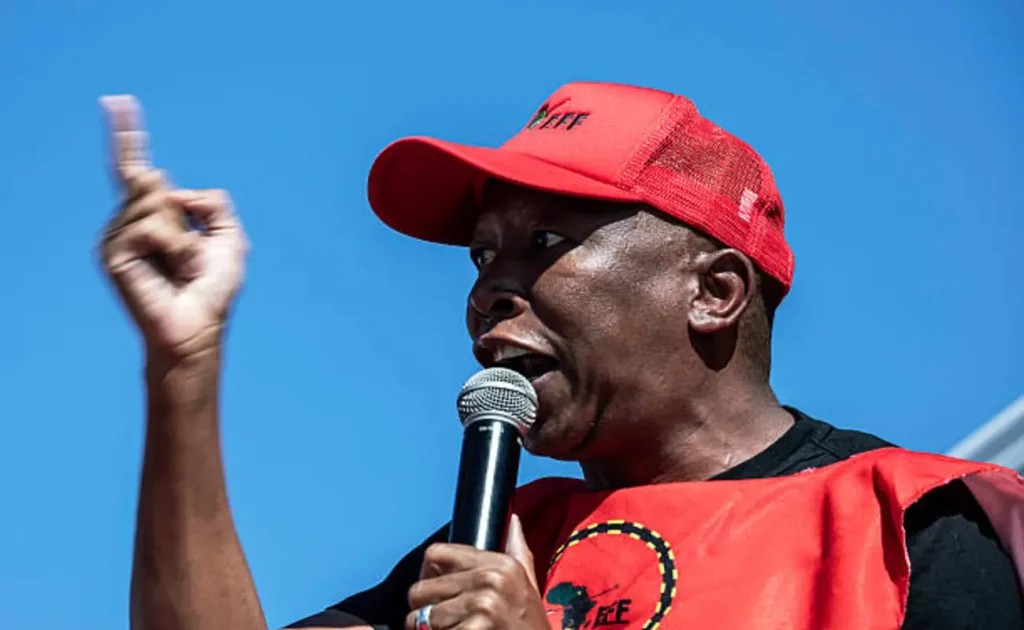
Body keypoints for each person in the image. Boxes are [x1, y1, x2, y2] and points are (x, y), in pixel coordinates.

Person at [98, 83, 1023, 630]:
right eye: (481, 255)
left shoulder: (913, 522)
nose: (489, 290)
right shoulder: (498, 544)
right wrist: (185, 366)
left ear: (714, 293)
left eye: (544, 244)